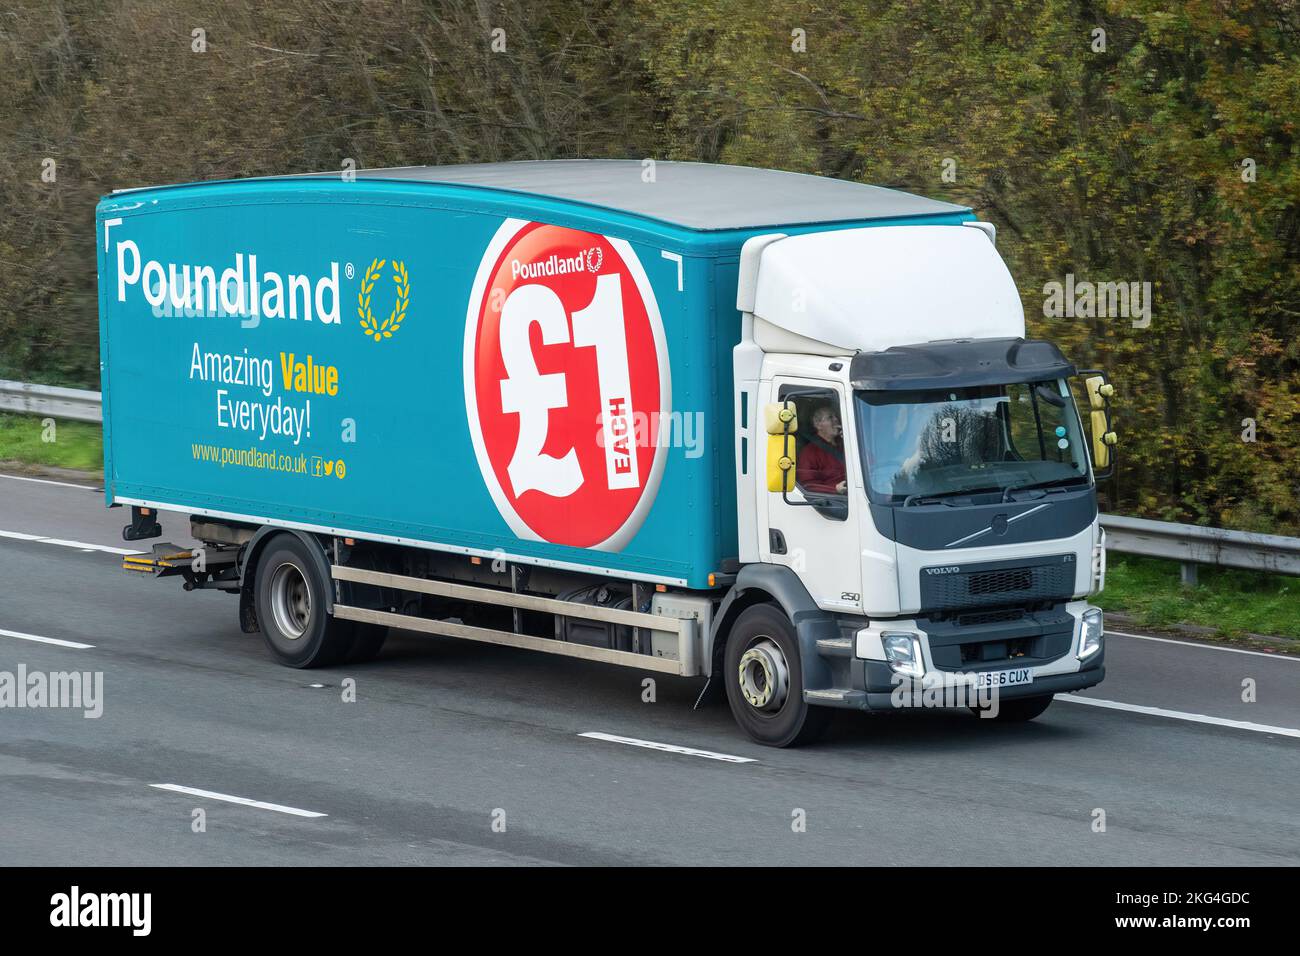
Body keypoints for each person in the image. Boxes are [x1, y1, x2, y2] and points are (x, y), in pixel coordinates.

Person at [797, 405, 847, 494]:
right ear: (818, 425)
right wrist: (834, 489)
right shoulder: (809, 452)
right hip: (833, 501)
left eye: (836, 416)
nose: (836, 420)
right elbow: (807, 485)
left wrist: (849, 439)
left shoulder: (845, 443)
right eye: (830, 417)